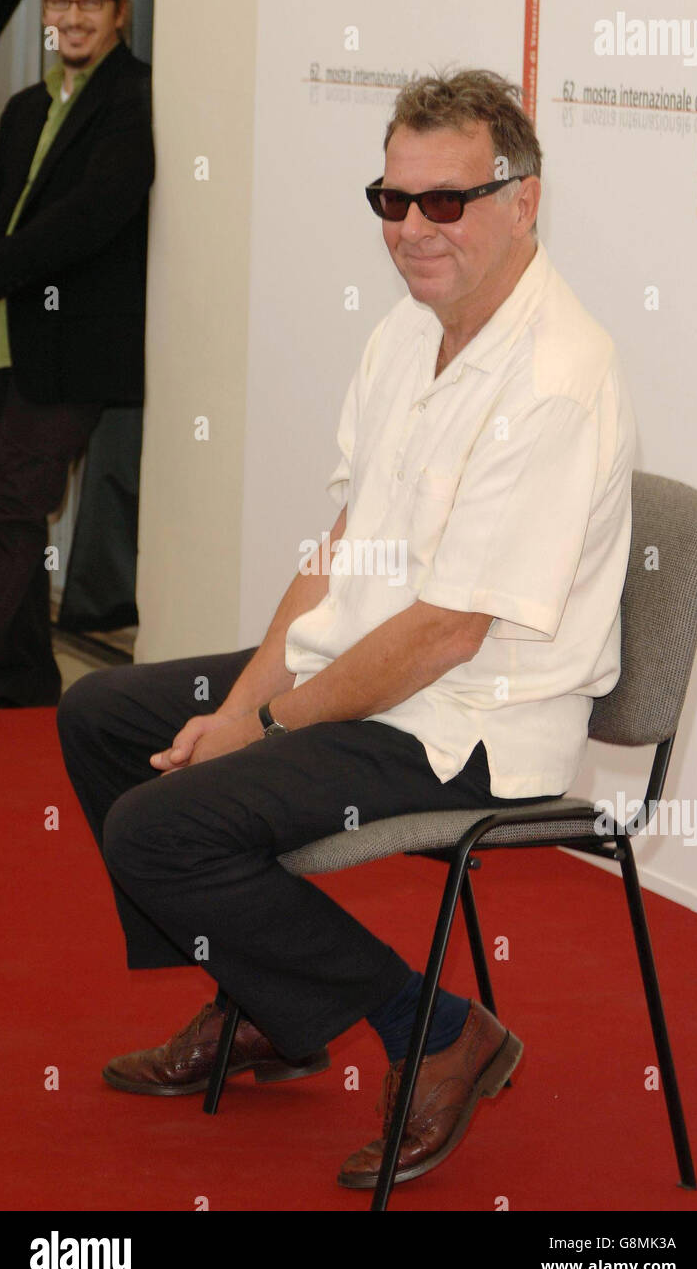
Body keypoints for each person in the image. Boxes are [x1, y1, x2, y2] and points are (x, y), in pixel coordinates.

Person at [56, 68, 636, 1192]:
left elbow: (444, 637)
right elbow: (339, 552)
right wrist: (238, 707)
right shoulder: (403, 331)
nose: (412, 228)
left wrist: (264, 720)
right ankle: (267, 994)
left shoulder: (558, 378)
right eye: (392, 199)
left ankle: (436, 1028)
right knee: (99, 715)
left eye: (445, 201)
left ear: (522, 200)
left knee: (155, 830)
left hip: (471, 719)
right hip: (373, 669)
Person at [0, 0, 154, 708]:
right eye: (59, 3)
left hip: (72, 349)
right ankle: (25, 693)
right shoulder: (25, 107)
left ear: (119, 13)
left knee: (9, 512)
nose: (72, 17)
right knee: (5, 517)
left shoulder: (136, 98)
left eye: (88, 2)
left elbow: (93, 216)